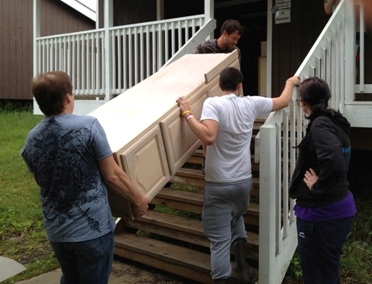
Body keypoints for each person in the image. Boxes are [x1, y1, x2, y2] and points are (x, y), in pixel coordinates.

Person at [21, 71, 149, 284]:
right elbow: (113, 176)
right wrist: (139, 199)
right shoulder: (88, 126)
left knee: (70, 278)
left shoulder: (31, 139)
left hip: (57, 232)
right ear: (68, 97)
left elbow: (40, 180)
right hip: (92, 231)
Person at [176, 67, 300, 284]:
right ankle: (243, 268)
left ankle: (223, 279)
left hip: (219, 184)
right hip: (243, 181)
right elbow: (282, 101)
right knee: (236, 217)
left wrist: (187, 113)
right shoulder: (251, 103)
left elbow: (209, 136)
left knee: (220, 240)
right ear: (239, 86)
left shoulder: (213, 104)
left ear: (219, 85)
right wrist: (290, 82)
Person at [289, 77, 357, 284]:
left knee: (315, 272)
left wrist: (318, 186)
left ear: (304, 102)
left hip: (322, 214)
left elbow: (334, 159)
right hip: (338, 207)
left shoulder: (320, 125)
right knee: (327, 270)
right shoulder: (335, 120)